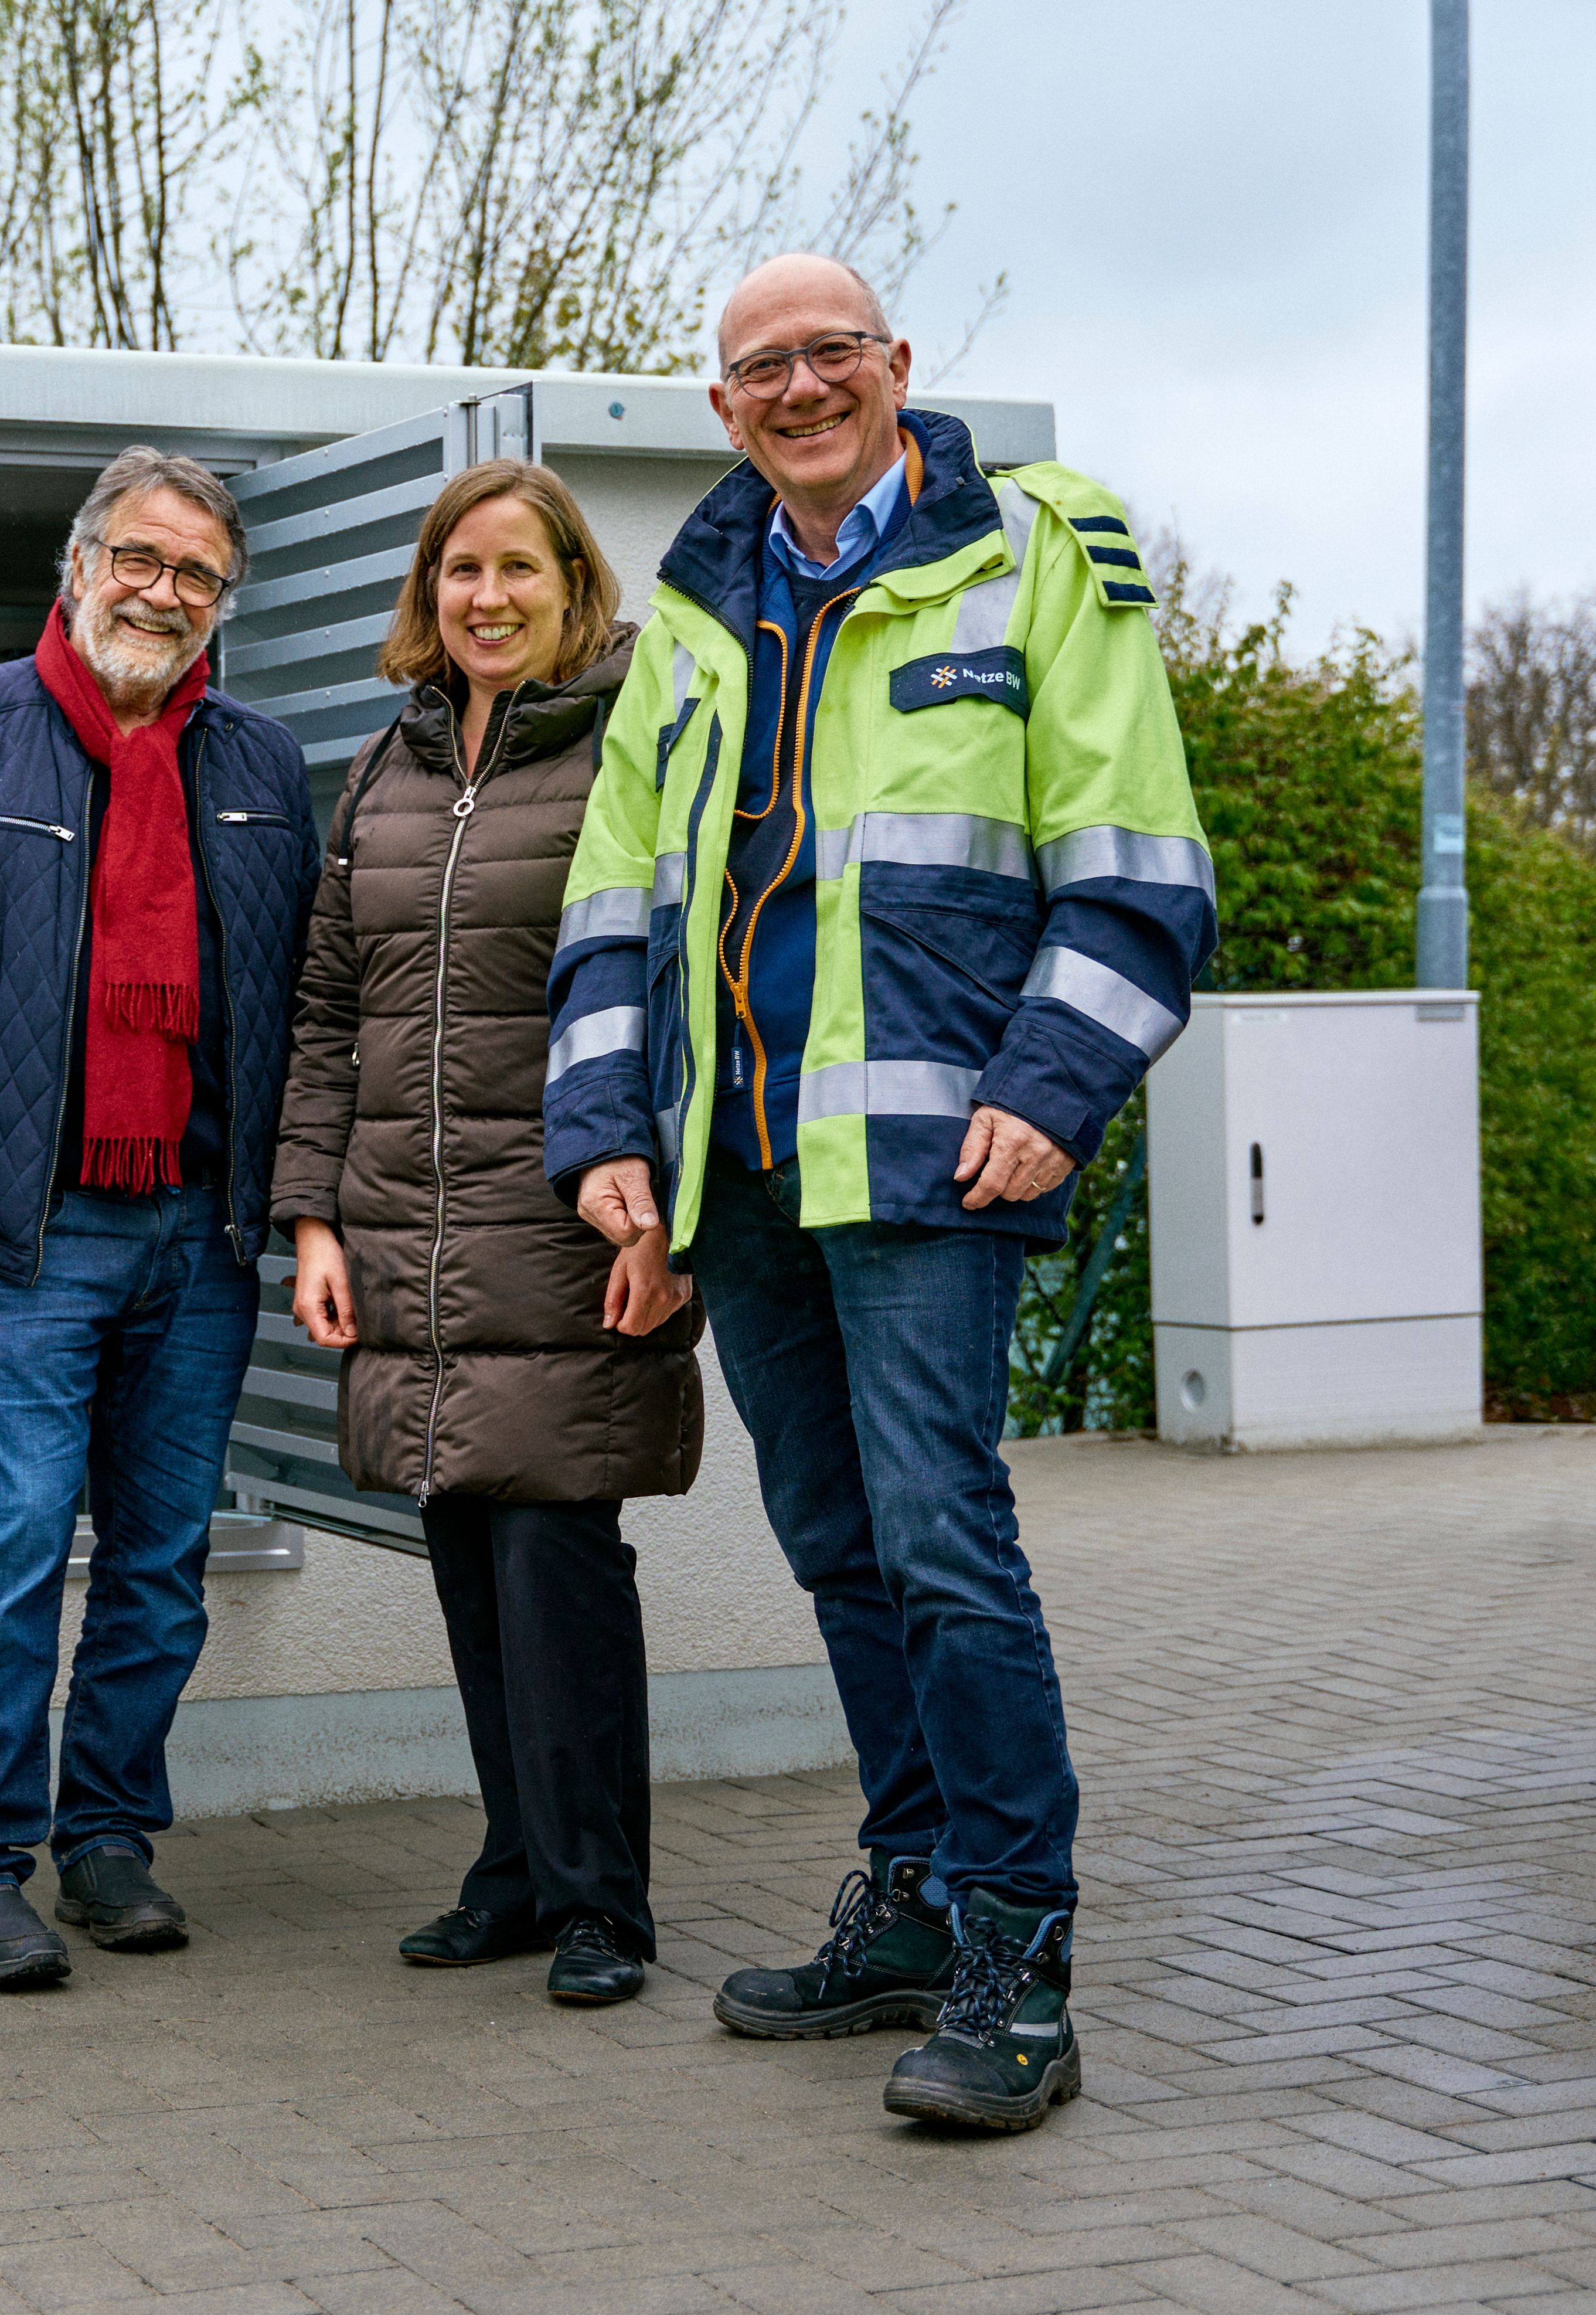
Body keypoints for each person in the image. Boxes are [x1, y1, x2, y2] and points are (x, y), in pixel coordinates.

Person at [543, 254, 1214, 2129]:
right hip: (738, 1178)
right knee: (838, 1550)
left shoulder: (1034, 547)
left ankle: (1018, 1954)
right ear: (721, 408)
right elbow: (611, 908)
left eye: (832, 352)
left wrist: (1052, 1090)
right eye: (762, 366)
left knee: (941, 1545)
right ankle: (915, 1897)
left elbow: (1139, 867)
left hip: (930, 1160)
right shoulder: (689, 610)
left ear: (897, 366)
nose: (801, 386)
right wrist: (605, 1138)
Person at [0, 447, 321, 1991]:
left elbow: (308, 1012)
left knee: (162, 1556)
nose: (163, 594)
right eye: (141, 559)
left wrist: (298, 1211)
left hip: (199, 1230)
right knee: (19, 1539)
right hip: (29, 1235)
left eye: (197, 576)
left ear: (220, 604)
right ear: (77, 562)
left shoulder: (259, 767)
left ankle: (107, 1838)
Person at [270, 460, 706, 2010]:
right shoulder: (384, 775)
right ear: (426, 594)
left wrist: (671, 1214)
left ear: (572, 585)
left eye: (520, 569)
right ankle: (516, 1870)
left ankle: (602, 1903)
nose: (489, 598)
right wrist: (311, 1214)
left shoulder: (629, 752)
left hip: (573, 1218)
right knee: (463, 1542)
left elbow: (679, 1002)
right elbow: (327, 1010)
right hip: (405, 1228)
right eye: (461, 571)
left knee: (554, 1552)